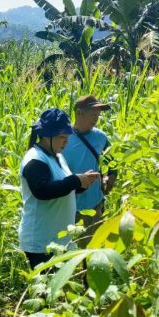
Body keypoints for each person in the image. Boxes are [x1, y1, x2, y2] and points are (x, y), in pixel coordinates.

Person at [19, 108, 100, 269]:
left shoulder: (57, 156)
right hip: (41, 243)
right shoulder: (35, 159)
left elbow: (62, 186)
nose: (66, 142)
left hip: (58, 241)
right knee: (45, 291)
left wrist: (81, 183)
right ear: (47, 136)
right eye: (62, 137)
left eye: (67, 137)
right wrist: (75, 180)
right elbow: (42, 191)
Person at [62, 95, 118, 247]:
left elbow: (113, 161)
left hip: (93, 204)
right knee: (67, 250)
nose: (97, 118)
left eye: (98, 114)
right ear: (80, 113)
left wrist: (111, 177)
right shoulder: (63, 138)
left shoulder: (100, 137)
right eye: (94, 114)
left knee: (93, 248)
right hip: (67, 205)